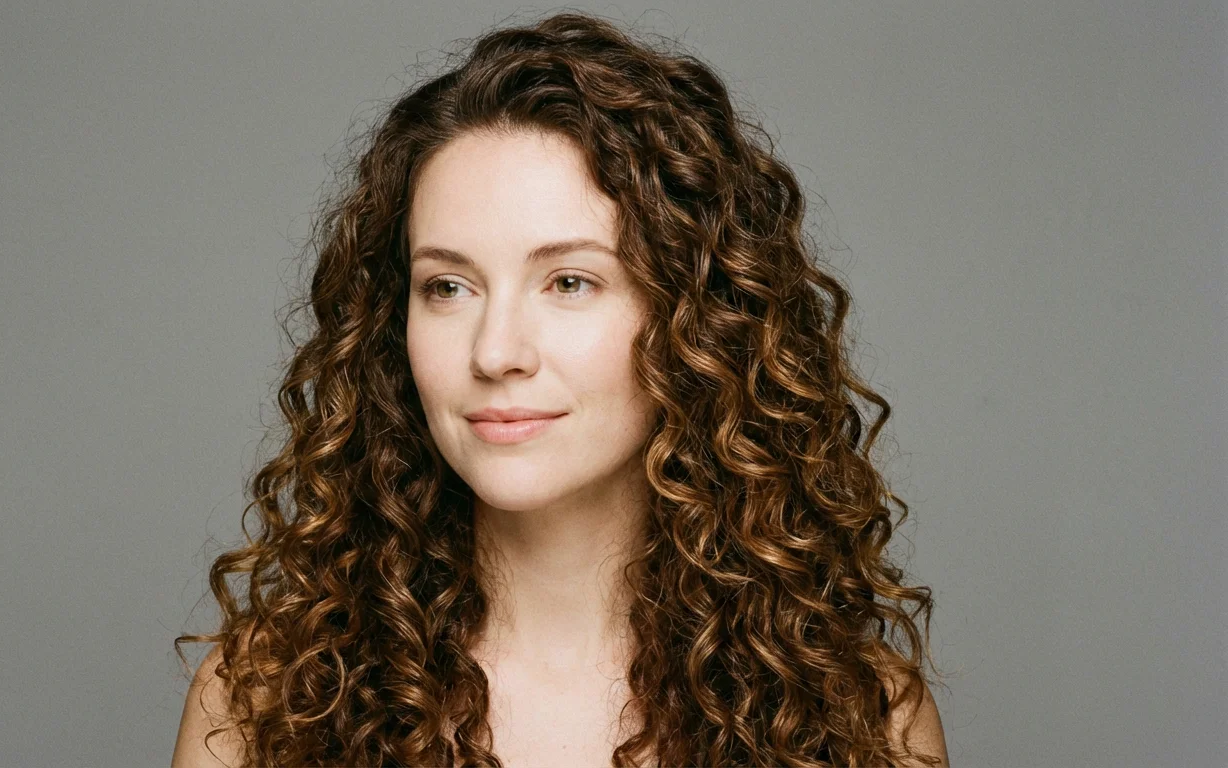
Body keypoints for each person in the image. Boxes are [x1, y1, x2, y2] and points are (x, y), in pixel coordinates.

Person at [172, 11, 948, 768]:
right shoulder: (264, 699)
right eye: (447, 287)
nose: (495, 352)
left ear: (699, 318)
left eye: (569, 282)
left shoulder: (856, 713)